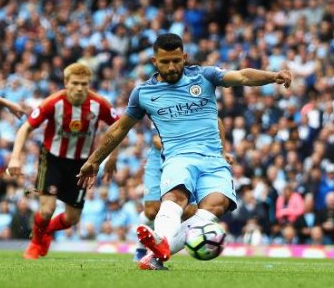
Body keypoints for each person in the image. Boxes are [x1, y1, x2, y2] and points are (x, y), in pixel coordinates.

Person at [77, 33, 292, 270]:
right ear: (154, 61)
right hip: (179, 157)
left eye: (176, 61)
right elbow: (120, 129)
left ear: (184, 57)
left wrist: (273, 76)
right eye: (165, 61)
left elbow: (241, 76)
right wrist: (95, 160)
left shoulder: (205, 75)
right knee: (175, 198)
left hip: (213, 159)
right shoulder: (144, 93)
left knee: (216, 206)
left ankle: (158, 253)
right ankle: (160, 243)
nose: (171, 66)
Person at [7, 63, 120, 259]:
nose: (79, 88)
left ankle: (46, 231)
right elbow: (26, 128)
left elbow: (119, 126)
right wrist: (15, 158)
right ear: (66, 83)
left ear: (89, 84)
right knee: (47, 208)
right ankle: (35, 243)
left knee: (72, 219)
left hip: (81, 164)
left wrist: (113, 157)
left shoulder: (99, 103)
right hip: (52, 159)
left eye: (84, 84)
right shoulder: (53, 102)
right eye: (75, 83)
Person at [133, 118, 233, 262]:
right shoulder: (163, 103)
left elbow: (216, 121)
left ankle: (157, 252)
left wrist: (222, 152)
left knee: (189, 211)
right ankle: (141, 248)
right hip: (160, 158)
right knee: (151, 211)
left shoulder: (199, 101)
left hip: (191, 160)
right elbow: (156, 139)